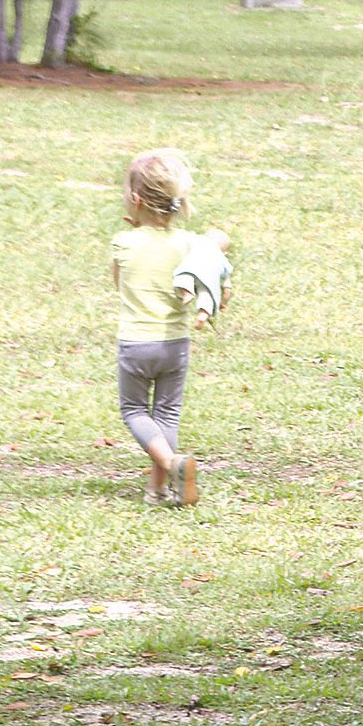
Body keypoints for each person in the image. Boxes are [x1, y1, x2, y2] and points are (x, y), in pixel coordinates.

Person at [109, 148, 231, 508]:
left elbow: (120, 283)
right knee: (166, 413)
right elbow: (215, 250)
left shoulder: (123, 242)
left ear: (134, 199)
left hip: (135, 344)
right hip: (175, 344)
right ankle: (159, 489)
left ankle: (169, 463)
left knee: (134, 410)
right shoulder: (189, 245)